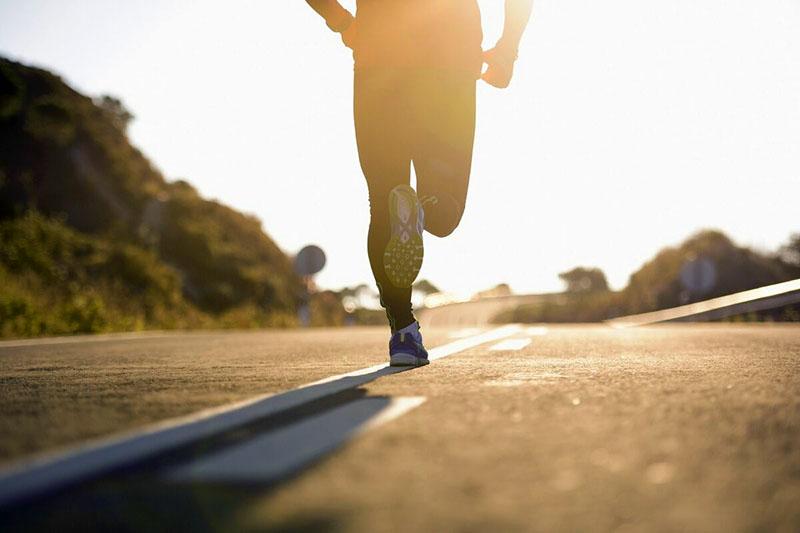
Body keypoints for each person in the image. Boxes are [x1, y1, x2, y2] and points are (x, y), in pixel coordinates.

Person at [306, 0, 533, 366]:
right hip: (450, 62)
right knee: (445, 211)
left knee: (383, 199)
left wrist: (342, 22)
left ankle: (403, 333)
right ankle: (424, 211)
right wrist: (507, 49)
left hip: (378, 60)